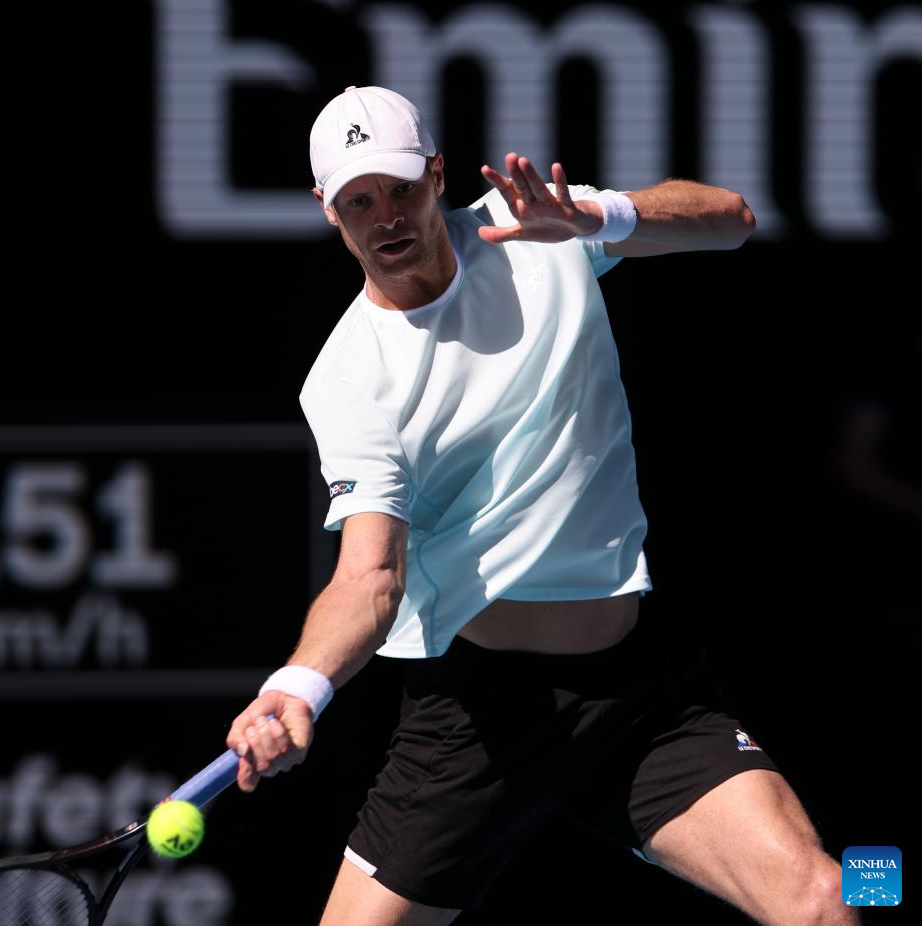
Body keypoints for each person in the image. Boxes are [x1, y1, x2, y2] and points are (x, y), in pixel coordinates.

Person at [227, 86, 854, 925]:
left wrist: (601, 218)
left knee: (829, 895)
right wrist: (300, 684)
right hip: (480, 718)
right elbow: (371, 576)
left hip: (633, 689)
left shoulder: (533, 230)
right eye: (359, 201)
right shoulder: (347, 381)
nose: (387, 218)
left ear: (437, 174)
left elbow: (731, 220)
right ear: (327, 209)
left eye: (401, 188)